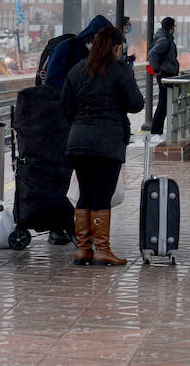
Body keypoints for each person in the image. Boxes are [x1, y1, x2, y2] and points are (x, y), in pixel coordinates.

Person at [61, 26, 144, 266]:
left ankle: (83, 249)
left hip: (79, 142)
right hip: (108, 142)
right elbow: (136, 104)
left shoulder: (77, 70)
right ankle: (102, 250)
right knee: (102, 196)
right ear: (117, 47)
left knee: (85, 194)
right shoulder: (119, 71)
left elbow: (65, 108)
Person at [45, 14, 113, 92]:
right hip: (64, 101)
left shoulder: (102, 55)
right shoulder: (66, 48)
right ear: (95, 35)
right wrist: (82, 88)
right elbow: (52, 81)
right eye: (105, 39)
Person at [146, 17, 179, 135]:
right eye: (174, 26)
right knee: (163, 103)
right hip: (165, 75)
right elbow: (152, 54)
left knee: (164, 103)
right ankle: (156, 131)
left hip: (167, 74)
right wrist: (156, 70)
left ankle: (157, 131)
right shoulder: (165, 40)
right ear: (171, 27)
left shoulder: (165, 38)